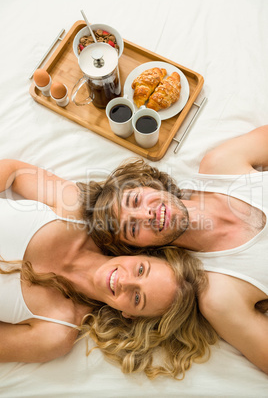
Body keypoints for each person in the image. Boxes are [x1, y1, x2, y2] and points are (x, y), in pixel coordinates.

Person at [0, 159, 216, 375]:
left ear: (129, 315)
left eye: (137, 298)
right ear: (141, 253)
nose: (125, 281)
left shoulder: (55, 334)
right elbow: (15, 172)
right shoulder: (75, 209)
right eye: (141, 270)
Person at [82, 124, 268, 374]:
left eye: (135, 200)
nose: (145, 213)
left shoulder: (221, 165)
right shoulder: (221, 296)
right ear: (141, 250)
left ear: (148, 185)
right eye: (133, 228)